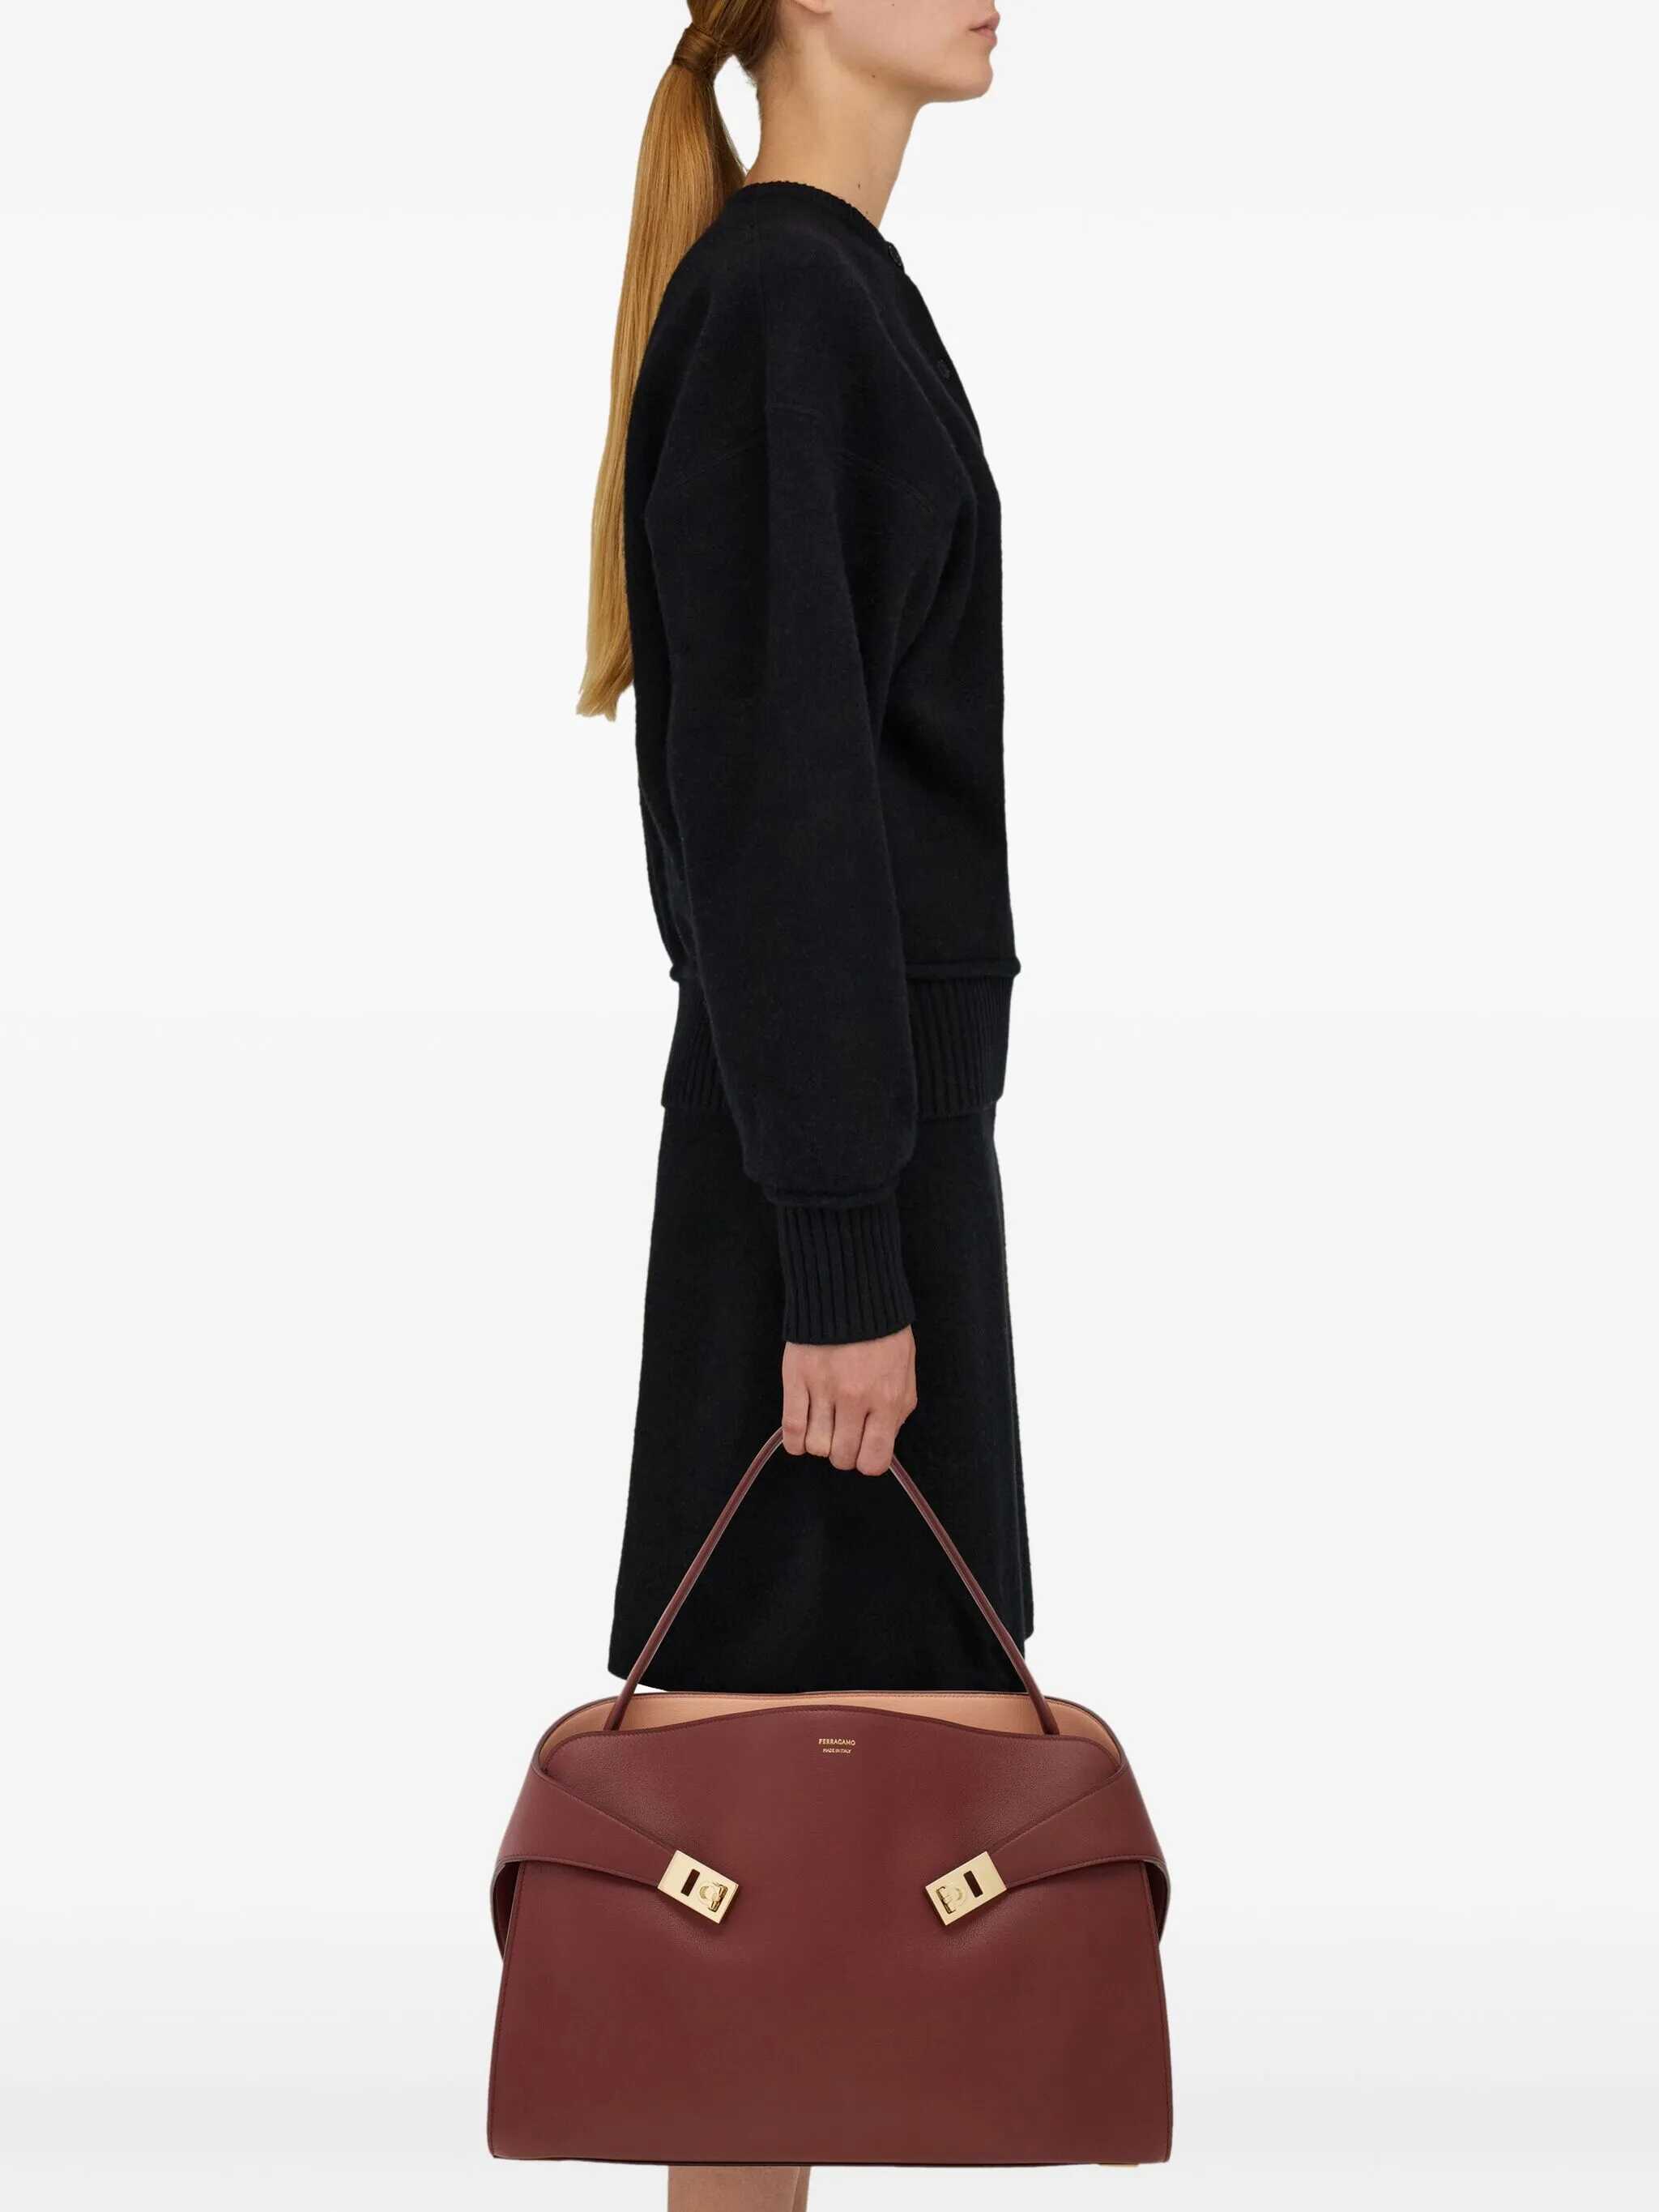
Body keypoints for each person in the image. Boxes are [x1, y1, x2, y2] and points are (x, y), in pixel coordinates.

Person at [578, 6, 1018, 2205]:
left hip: (857, 1153)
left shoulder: (819, 290)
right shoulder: (781, 301)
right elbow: (777, 814)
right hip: (823, 1182)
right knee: (767, 1874)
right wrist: (845, 1250)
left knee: (804, 1899)